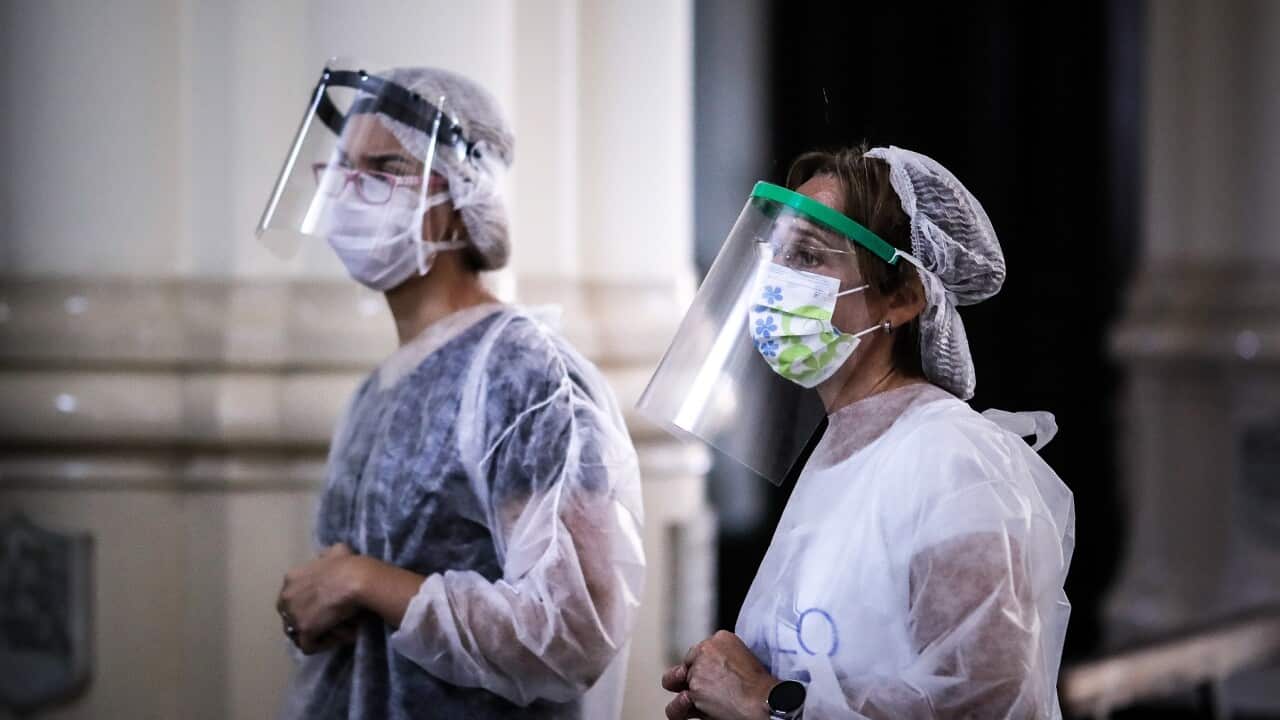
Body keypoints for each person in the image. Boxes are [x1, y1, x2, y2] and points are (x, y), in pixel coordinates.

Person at [258, 63, 645, 719]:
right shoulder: (376, 392)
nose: (351, 192)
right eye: (342, 169)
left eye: (382, 170)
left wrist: (361, 580)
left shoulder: (524, 375)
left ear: (464, 197)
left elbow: (572, 631)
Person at [644, 144, 1074, 719]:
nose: (777, 280)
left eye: (810, 257)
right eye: (777, 253)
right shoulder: (845, 448)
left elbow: (990, 706)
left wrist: (765, 701)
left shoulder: (953, 461)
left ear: (902, 297)